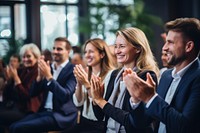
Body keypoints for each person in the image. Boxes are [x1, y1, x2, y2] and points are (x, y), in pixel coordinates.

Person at [122, 18, 200, 133]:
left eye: (171, 42)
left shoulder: (197, 78)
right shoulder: (166, 76)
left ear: (188, 46)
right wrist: (136, 98)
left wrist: (150, 97)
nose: (164, 48)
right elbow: (141, 123)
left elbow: (184, 126)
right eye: (166, 42)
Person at [90, 27, 159, 133]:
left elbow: (132, 122)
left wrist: (101, 101)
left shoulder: (146, 76)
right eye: (116, 46)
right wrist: (96, 99)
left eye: (122, 46)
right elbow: (100, 116)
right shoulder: (114, 74)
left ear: (138, 48)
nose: (117, 51)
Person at [9, 37, 77, 133]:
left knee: (18, 128)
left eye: (59, 49)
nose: (55, 51)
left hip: (61, 115)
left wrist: (49, 77)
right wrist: (39, 78)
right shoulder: (49, 67)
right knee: (12, 127)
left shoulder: (73, 70)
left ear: (68, 51)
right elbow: (32, 93)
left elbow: (65, 95)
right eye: (53, 48)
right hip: (44, 112)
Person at [72, 38, 115, 132]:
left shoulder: (111, 75)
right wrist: (79, 83)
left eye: (91, 51)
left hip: (99, 125)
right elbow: (78, 102)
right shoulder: (86, 74)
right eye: (85, 52)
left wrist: (86, 84)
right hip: (83, 121)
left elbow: (101, 103)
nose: (87, 55)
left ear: (102, 54)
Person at [0, 44, 41, 132]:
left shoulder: (38, 72)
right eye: (23, 57)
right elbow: (9, 94)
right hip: (15, 106)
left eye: (29, 56)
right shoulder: (23, 70)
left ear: (36, 57)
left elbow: (26, 95)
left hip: (28, 110)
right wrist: (8, 80)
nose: (26, 59)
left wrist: (17, 79)